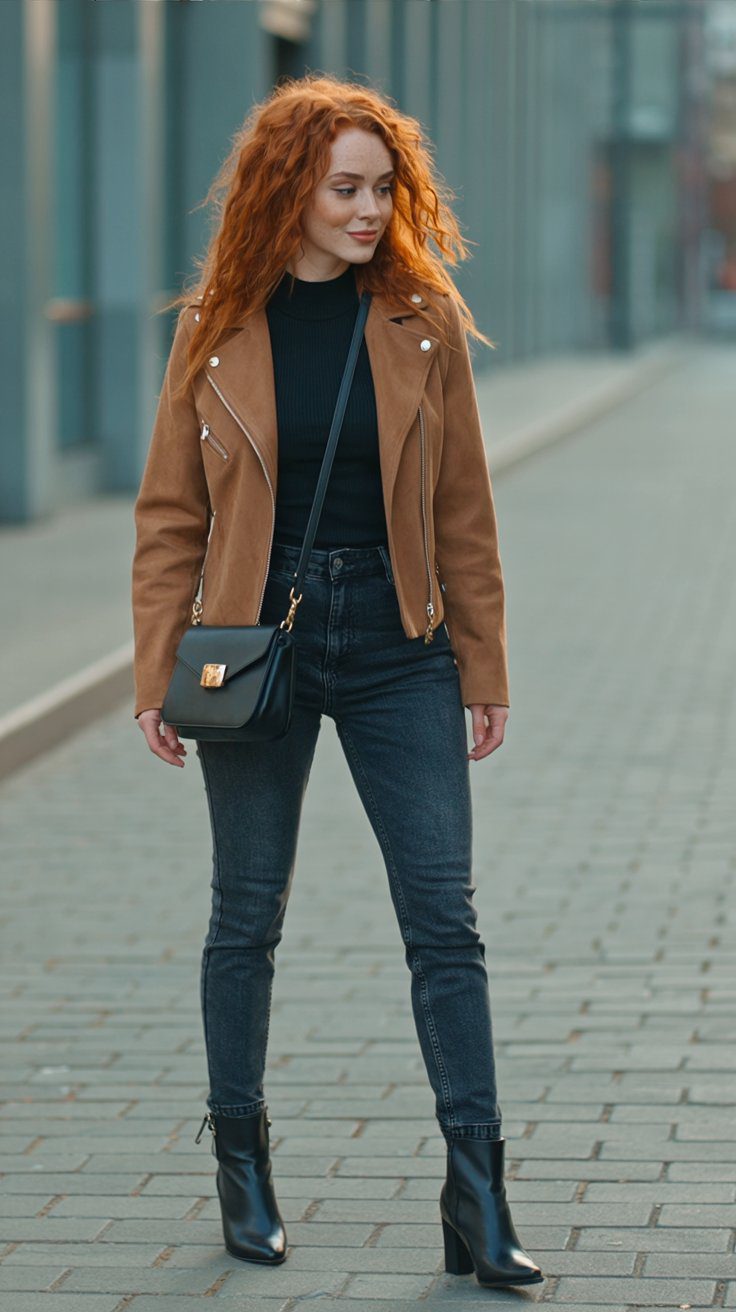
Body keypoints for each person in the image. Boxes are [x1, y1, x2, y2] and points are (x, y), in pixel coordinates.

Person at [131, 73, 543, 1291]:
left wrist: (483, 662)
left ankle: (477, 1191)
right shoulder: (215, 323)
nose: (370, 210)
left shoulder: (419, 317)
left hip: (397, 643)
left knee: (442, 920)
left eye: (383, 189)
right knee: (244, 915)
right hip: (252, 640)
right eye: (346, 188)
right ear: (289, 191)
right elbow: (169, 516)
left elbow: (464, 510)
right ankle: (242, 1165)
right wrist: (161, 665)